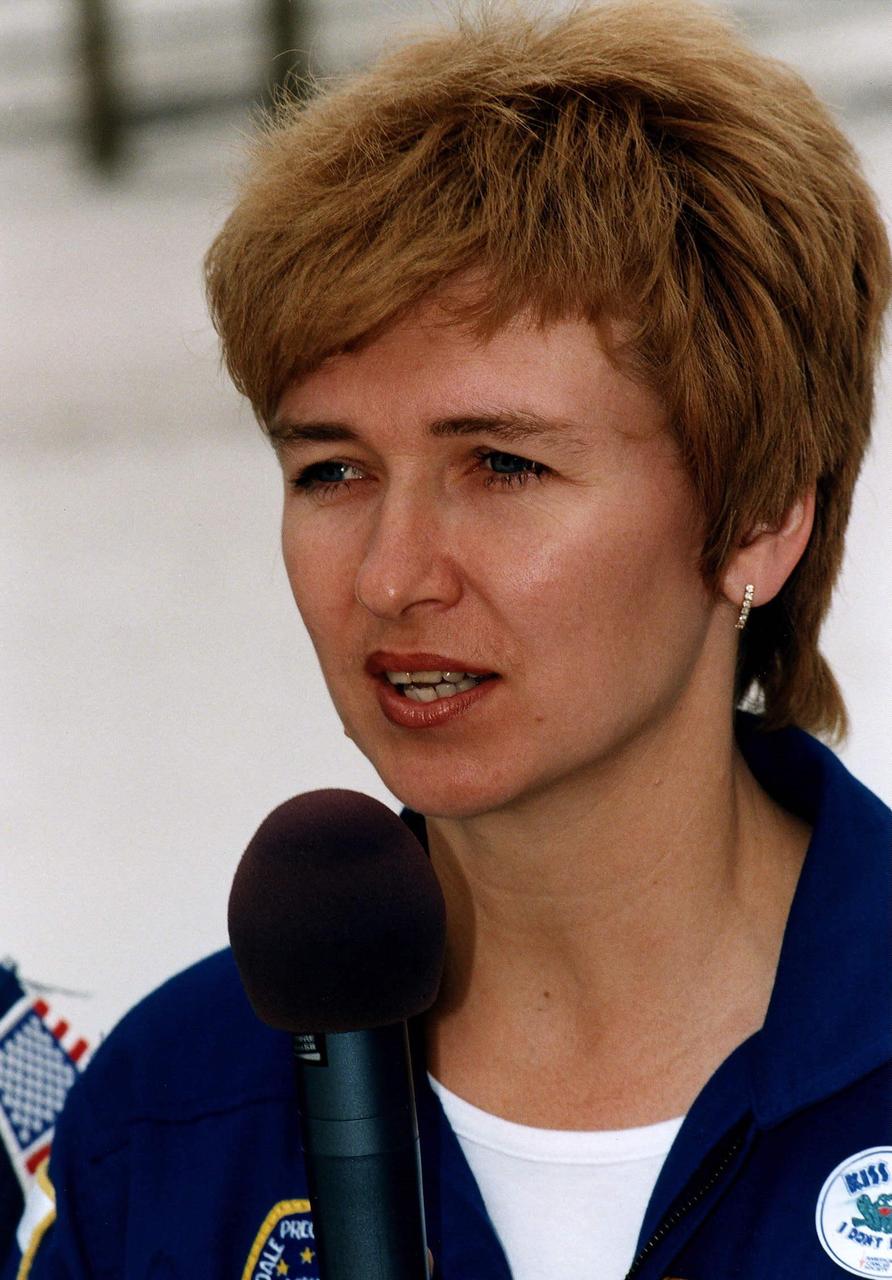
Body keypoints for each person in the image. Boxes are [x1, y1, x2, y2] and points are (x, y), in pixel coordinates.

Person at [5, 2, 890, 1276]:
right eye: (331, 470)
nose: (390, 575)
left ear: (755, 518)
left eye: (503, 464)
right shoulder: (168, 1124)